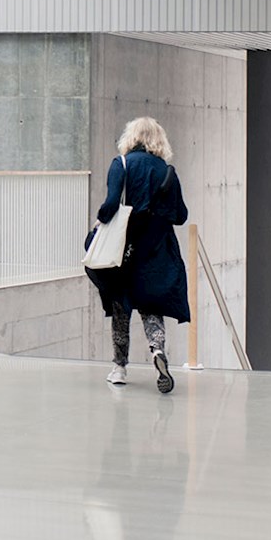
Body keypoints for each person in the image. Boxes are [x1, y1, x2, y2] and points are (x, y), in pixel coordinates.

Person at [87, 117, 192, 393]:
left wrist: (99, 221)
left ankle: (119, 368)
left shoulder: (121, 164)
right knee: (151, 306)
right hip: (156, 249)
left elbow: (111, 205)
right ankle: (157, 351)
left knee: (121, 304)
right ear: (158, 140)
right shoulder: (167, 171)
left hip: (124, 248)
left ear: (130, 138)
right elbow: (181, 216)